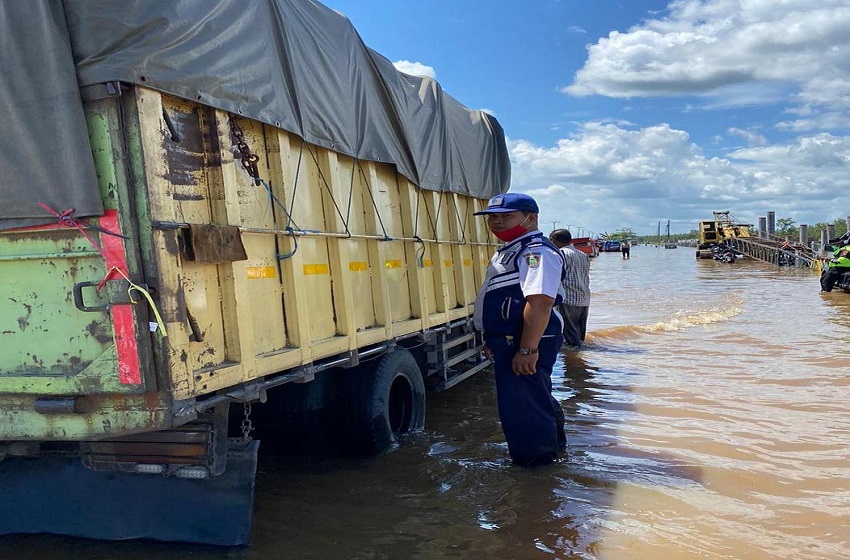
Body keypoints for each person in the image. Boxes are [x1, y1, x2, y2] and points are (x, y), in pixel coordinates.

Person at [473, 193, 567, 466]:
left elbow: (539, 302)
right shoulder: (514, 248)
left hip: (526, 340)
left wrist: (527, 349)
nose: (498, 222)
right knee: (534, 397)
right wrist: (493, 337)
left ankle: (535, 471)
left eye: (507, 216)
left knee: (522, 408)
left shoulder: (535, 251)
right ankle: (554, 453)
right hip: (513, 339)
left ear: (531, 218)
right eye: (493, 217)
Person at [549, 229, 591, 347]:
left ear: (554, 240)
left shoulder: (560, 254)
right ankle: (581, 357)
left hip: (569, 297)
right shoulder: (583, 255)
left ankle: (575, 361)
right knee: (580, 331)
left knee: (570, 332)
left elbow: (556, 276)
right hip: (584, 297)